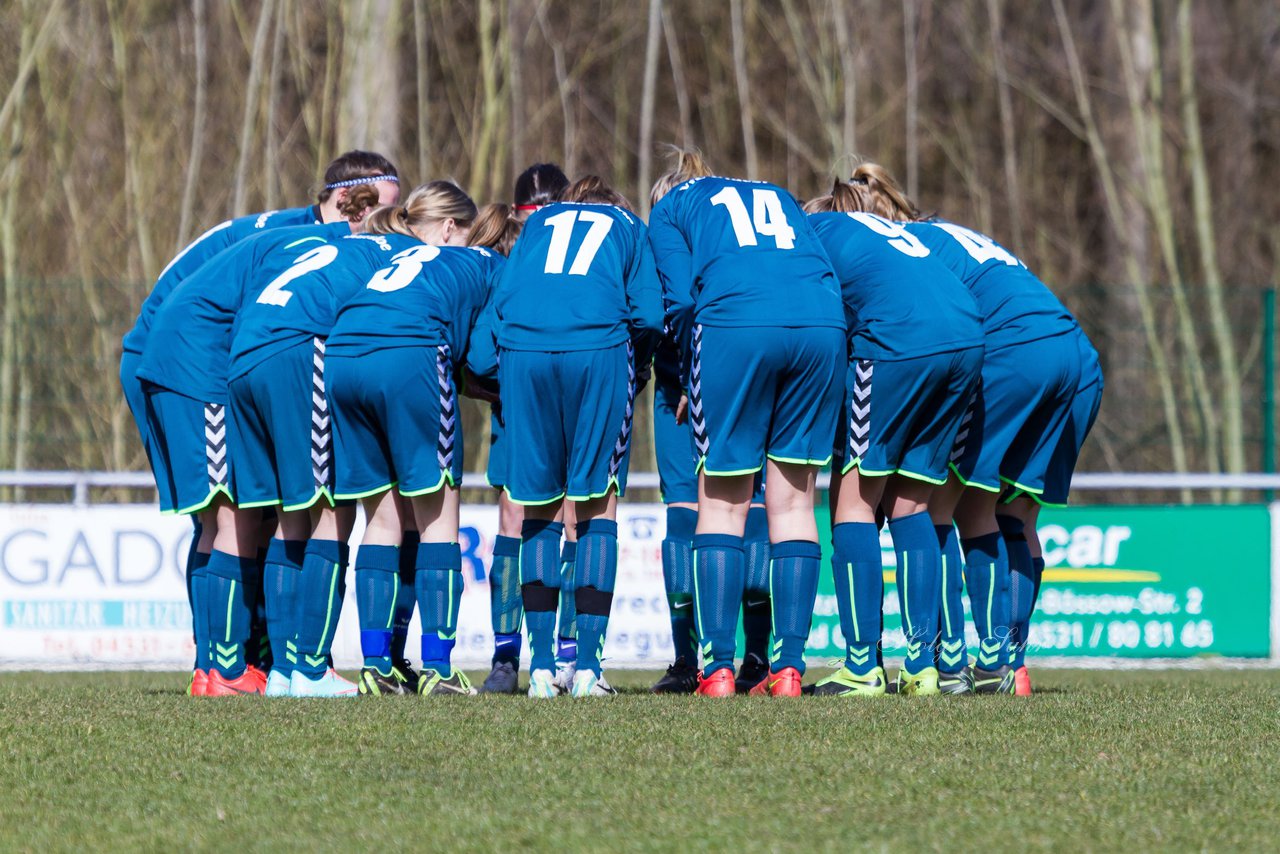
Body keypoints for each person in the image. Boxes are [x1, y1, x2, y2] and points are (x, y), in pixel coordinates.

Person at [120, 151, 398, 693]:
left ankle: (225, 664)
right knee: (235, 515)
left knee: (236, 515)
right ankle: (227, 666)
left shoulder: (298, 231)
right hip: (194, 358)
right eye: (382, 210)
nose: (388, 226)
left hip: (178, 354)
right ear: (345, 200)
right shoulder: (312, 239)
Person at [852, 162, 1085, 694]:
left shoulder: (906, 245)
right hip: (1073, 353)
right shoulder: (954, 232)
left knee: (936, 504)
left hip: (1013, 354)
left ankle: (951, 659)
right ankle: (1009, 665)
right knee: (1009, 511)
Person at [648, 151, 845, 698]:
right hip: (822, 324)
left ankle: (717, 669)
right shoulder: (777, 192)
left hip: (736, 323)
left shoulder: (669, 210)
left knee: (723, 502)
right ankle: (787, 669)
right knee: (794, 504)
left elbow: (680, 300)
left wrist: (689, 371)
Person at [325, 182, 515, 696]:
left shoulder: (404, 260)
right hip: (410, 351)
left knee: (382, 518)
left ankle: (376, 664)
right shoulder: (490, 267)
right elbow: (481, 359)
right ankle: (438, 666)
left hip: (342, 354)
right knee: (438, 518)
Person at [480, 175, 662, 698]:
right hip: (596, 349)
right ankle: (585, 669)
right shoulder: (628, 224)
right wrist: (638, 366)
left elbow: (499, 307)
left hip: (523, 353)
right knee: (595, 505)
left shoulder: (537, 224)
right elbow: (649, 315)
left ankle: (538, 672)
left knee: (535, 508)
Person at [804, 180, 985, 696]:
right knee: (912, 506)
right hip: (966, 341)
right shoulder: (888, 231)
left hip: (898, 339)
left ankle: (861, 666)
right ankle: (923, 668)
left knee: (853, 501)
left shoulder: (811, 231)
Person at [478, 162, 571, 696]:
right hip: (519, 409)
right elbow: (479, 349)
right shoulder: (501, 264)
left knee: (570, 517)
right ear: (518, 215)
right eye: (535, 213)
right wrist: (502, 389)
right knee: (517, 519)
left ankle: (563, 653)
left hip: (567, 399)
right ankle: (508, 654)